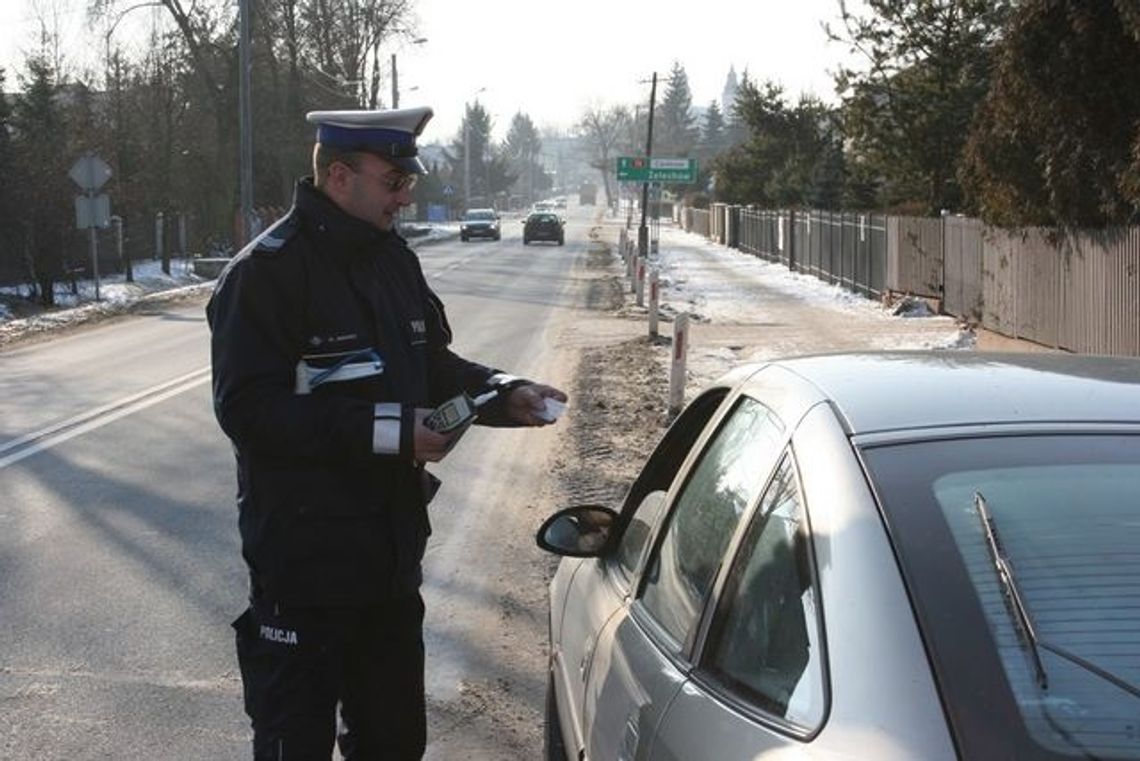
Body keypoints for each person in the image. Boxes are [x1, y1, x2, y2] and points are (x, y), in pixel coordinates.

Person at [206, 105, 568, 760]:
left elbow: (429, 365)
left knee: (395, 745)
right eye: (394, 182)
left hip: (388, 572)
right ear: (340, 177)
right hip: (302, 578)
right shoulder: (265, 275)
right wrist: (391, 431)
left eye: (410, 183)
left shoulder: (391, 260)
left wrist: (500, 392)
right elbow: (248, 410)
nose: (407, 197)